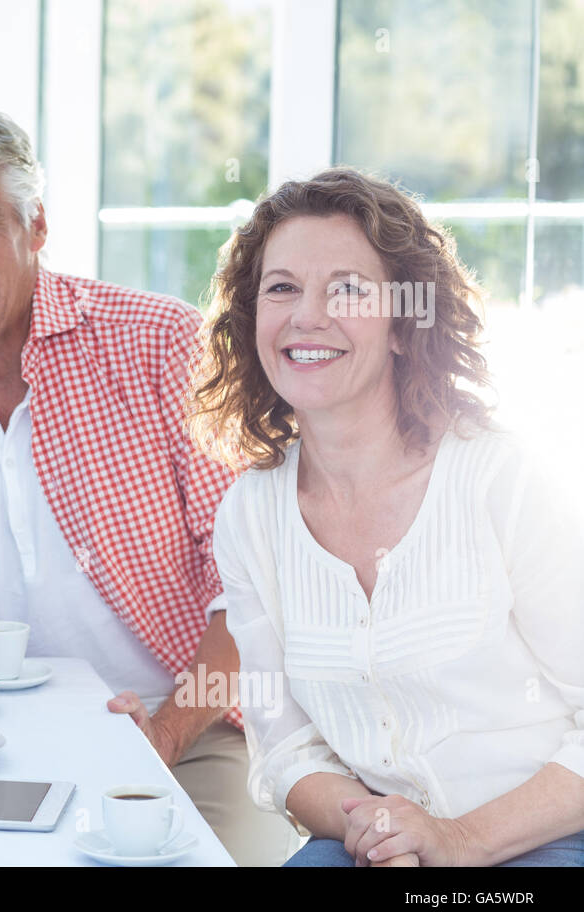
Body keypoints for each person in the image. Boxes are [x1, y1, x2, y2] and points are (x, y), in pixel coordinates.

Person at [0, 104, 297, 865]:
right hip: (7, 746)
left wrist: (159, 737)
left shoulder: (161, 346)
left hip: (200, 729)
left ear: (37, 227)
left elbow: (252, 593)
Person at [191, 167, 584, 866]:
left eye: (346, 288)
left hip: (547, 835)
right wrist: (382, 828)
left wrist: (460, 839)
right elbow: (285, 748)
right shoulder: (250, 514)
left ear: (406, 325)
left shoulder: (505, 478)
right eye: (282, 288)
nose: (307, 315)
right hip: (367, 844)